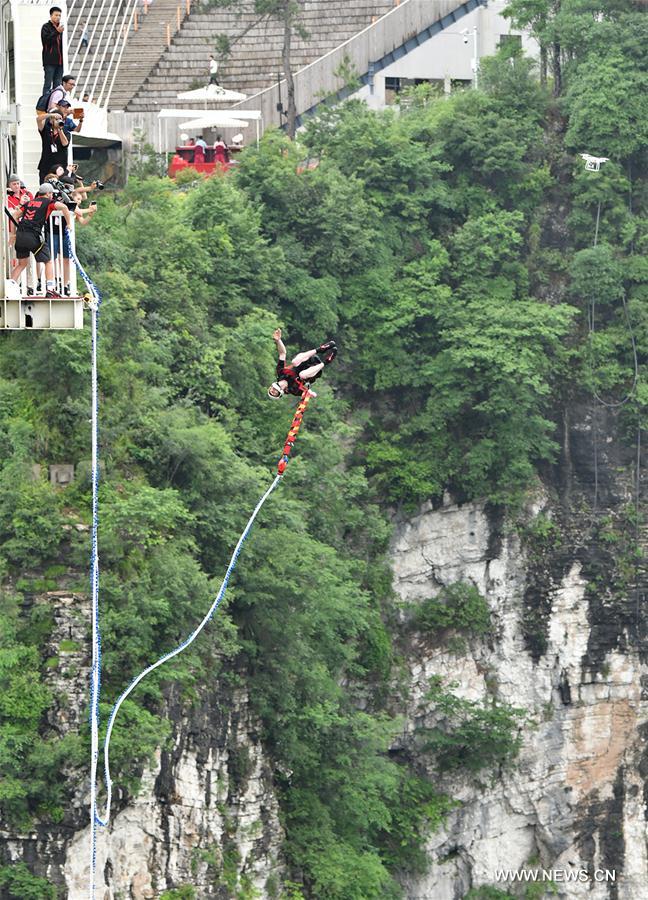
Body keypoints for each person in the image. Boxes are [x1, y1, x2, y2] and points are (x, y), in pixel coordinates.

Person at [11, 184, 72, 298]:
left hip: (20, 235)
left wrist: (13, 234)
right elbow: (64, 207)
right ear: (48, 194)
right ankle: (50, 290)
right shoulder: (48, 202)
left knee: (22, 264)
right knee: (48, 261)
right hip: (33, 235)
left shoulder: (29, 203)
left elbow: (14, 216)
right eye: (51, 194)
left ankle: (10, 287)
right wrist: (68, 224)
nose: (52, 196)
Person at [268, 329, 337, 399]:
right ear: (280, 393)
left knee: (294, 362)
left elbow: (282, 353)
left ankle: (320, 349)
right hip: (313, 370)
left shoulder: (280, 372)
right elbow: (308, 393)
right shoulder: (294, 390)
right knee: (302, 375)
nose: (272, 391)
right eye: (273, 394)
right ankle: (327, 361)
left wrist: (278, 340)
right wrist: (311, 394)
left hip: (307, 359)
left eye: (271, 391)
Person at [37, 111, 69, 184]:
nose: (58, 121)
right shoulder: (46, 129)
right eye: (56, 119)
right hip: (46, 165)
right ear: (51, 120)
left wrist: (60, 129)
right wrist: (51, 115)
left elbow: (65, 144)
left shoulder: (66, 132)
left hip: (59, 167)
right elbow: (38, 119)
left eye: (60, 119)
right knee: (44, 186)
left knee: (59, 187)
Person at [41, 7, 65, 95]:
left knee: (57, 85)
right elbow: (46, 41)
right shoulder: (46, 27)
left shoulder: (61, 28)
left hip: (60, 62)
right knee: (48, 84)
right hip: (50, 61)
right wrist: (57, 32)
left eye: (59, 15)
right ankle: (44, 102)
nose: (58, 17)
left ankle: (55, 102)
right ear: (51, 16)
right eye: (56, 15)